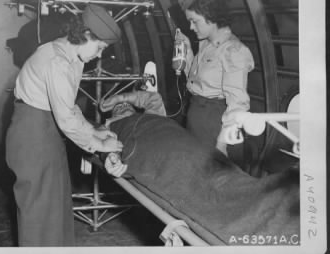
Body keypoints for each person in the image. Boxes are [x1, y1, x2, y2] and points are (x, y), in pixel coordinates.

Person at [100, 91, 299, 245]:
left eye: (126, 105)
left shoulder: (153, 113)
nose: (123, 107)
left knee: (221, 176)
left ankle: (278, 197)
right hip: (153, 151)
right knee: (197, 186)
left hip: (184, 144)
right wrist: (111, 156)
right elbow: (98, 147)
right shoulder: (107, 127)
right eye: (118, 108)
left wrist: (119, 97)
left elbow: (152, 96)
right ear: (110, 115)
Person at [5, 4, 124, 247]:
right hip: (33, 134)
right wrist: (100, 146)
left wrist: (94, 132)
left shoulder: (72, 57)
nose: (100, 54)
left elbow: (68, 107)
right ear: (87, 35)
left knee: (56, 207)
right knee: (38, 215)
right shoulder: (57, 61)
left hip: (45, 130)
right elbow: (66, 119)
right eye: (100, 47)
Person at [173, 0, 255, 157]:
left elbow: (237, 104)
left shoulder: (234, 50)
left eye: (194, 21)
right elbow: (196, 82)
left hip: (215, 127)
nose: (191, 27)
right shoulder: (205, 45)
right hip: (196, 121)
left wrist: (222, 144)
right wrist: (187, 52)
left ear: (210, 16)